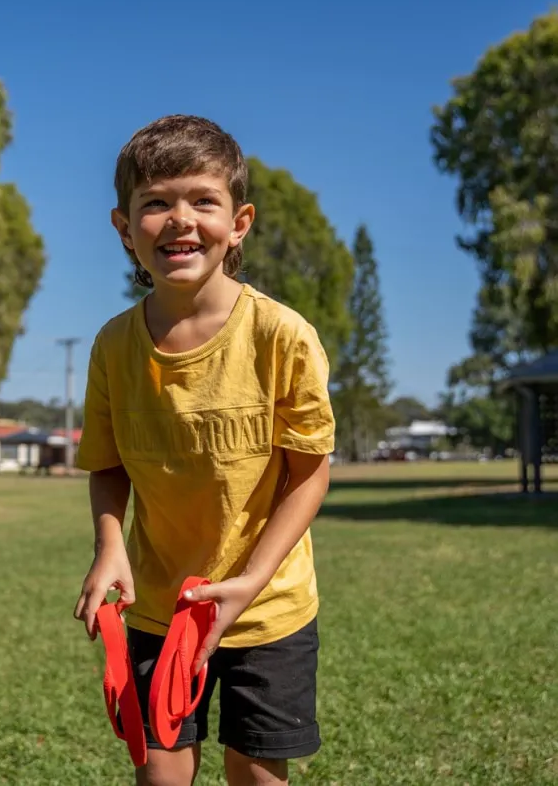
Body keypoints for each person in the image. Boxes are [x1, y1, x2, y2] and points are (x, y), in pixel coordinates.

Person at [73, 114, 335, 786]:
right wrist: (109, 548)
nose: (179, 219)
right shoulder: (112, 346)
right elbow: (106, 463)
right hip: (159, 607)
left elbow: (308, 475)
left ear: (239, 222)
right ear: (124, 228)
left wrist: (246, 586)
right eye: (155, 203)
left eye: (202, 201)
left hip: (265, 607)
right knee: (159, 774)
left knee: (254, 773)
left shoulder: (282, 336)